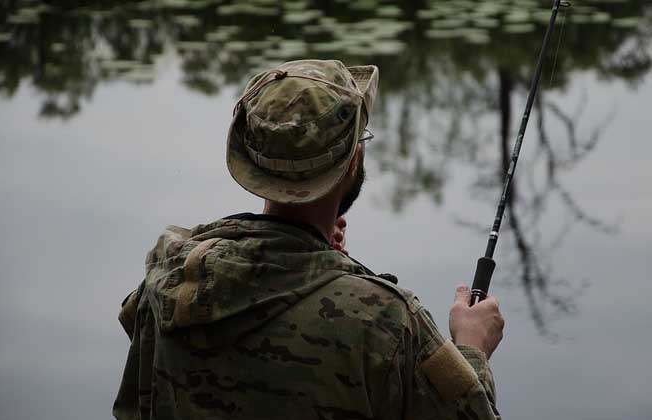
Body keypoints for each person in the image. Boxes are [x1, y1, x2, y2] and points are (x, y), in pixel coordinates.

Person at [113, 59, 504, 420]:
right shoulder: (389, 322)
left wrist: (313, 258)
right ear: (352, 161)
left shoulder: (167, 284)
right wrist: (472, 348)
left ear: (251, 162)